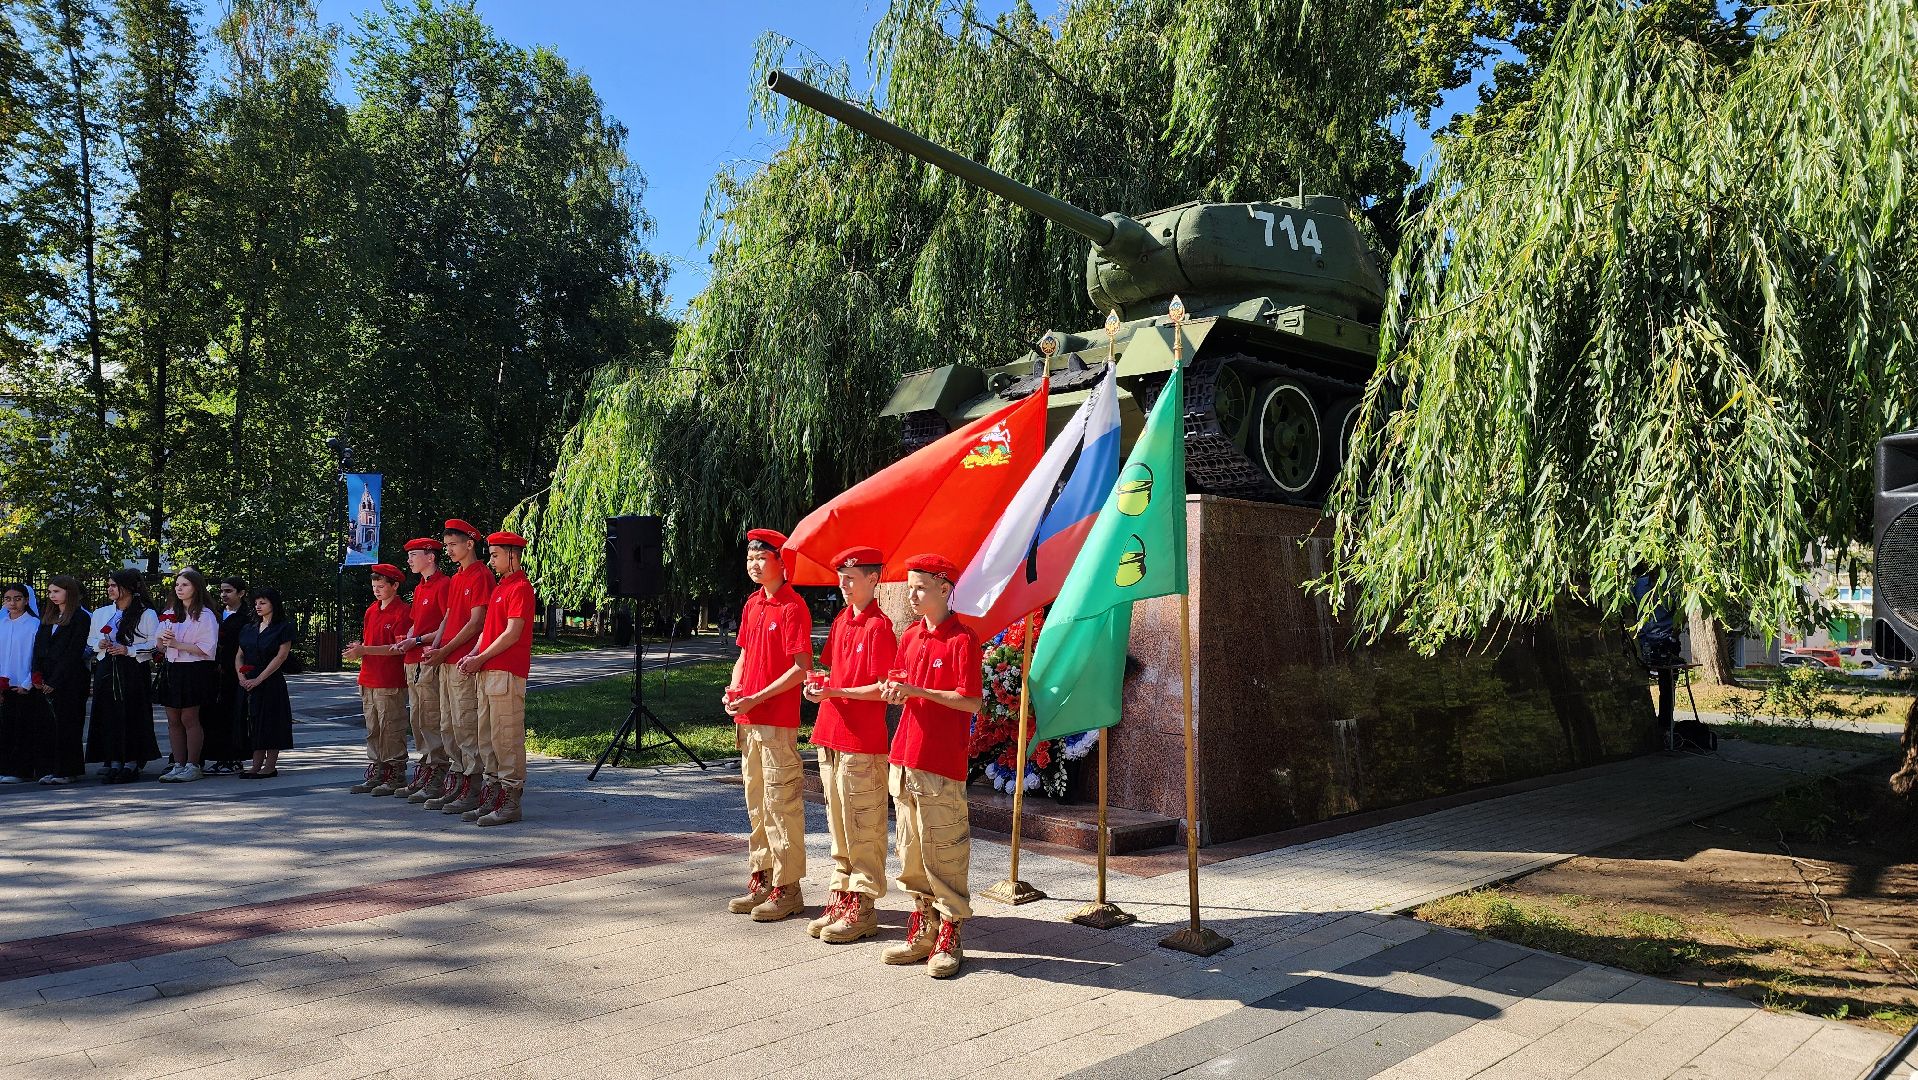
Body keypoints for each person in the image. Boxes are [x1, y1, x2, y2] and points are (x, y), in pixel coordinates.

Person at [881, 554, 984, 978]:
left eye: (920, 587)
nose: (912, 594)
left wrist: (918, 690)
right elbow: (902, 684)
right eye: (910, 586)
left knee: (945, 850)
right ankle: (924, 924)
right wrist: (894, 691)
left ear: (945, 589)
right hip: (905, 756)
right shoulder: (910, 636)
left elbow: (971, 701)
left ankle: (950, 933)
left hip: (940, 760)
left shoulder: (963, 639)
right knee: (909, 849)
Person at [800, 546, 897, 943]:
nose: (844, 585)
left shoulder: (879, 627)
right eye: (841, 578)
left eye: (852, 578)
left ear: (874, 580)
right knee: (838, 825)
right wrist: (818, 687)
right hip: (831, 735)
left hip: (861, 741)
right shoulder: (843, 619)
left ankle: (863, 905)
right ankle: (842, 894)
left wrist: (835, 691)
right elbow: (833, 671)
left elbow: (883, 688)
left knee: (864, 826)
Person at [722, 528, 814, 921]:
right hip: (749, 720)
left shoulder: (793, 606)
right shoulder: (752, 604)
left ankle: (788, 888)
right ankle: (762, 878)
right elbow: (743, 655)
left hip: (776, 722)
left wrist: (756, 697)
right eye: (750, 559)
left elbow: (801, 668)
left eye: (762, 558)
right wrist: (734, 689)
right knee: (757, 804)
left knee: (782, 805)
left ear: (781, 562)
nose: (754, 565)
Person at [454, 531, 536, 826]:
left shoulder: (521, 588)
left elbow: (512, 633)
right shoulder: (501, 587)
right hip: (488, 672)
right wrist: (473, 655)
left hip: (506, 672)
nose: (491, 561)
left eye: (496, 555)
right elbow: (488, 632)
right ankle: (493, 795)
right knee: (487, 737)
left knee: (506, 737)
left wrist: (480, 658)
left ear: (513, 555)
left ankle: (511, 800)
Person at [423, 520, 491, 814]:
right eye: (446, 545)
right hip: (447, 660)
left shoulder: (480, 575)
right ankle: (458, 781)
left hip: (463, 662)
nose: (448, 550)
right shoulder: (457, 577)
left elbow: (476, 623)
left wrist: (446, 650)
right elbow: (448, 617)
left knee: (465, 725)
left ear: (469, 544)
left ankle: (473, 787)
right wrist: (436, 648)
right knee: (448, 725)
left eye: (453, 545)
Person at [86, 569, 161, 783]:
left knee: (132, 713)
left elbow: (154, 643)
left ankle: (131, 761)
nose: (109, 589)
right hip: (107, 667)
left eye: (114, 585)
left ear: (128, 588)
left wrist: (128, 649)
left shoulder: (146, 613)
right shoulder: (101, 613)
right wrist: (99, 644)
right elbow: (91, 639)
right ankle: (113, 759)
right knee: (108, 714)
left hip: (132, 669)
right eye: (108, 585)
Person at [345, 564, 412, 796]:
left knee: (391, 726)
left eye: (381, 586)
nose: (376, 590)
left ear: (395, 586)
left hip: (389, 679)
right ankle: (378, 770)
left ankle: (396, 772)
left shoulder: (402, 612)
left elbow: (398, 648)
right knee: (373, 728)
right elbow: (370, 642)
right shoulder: (371, 610)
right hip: (368, 677)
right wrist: (360, 648)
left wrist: (364, 650)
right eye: (374, 586)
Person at [396, 538, 451, 802]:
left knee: (431, 717)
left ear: (430, 557)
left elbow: (446, 626)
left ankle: (439, 772)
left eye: (414, 555)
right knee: (417, 719)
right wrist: (408, 638)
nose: (409, 560)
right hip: (413, 660)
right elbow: (416, 623)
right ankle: (427, 767)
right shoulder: (420, 587)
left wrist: (416, 640)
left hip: (429, 660)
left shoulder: (444, 584)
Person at [156, 568, 221, 784]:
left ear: (196, 587)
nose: (179, 588)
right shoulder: (171, 612)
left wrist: (178, 644)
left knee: (189, 718)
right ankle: (178, 764)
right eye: (177, 585)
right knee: (173, 719)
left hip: (194, 669)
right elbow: (160, 646)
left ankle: (193, 765)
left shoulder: (205, 615)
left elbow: (207, 649)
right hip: (173, 668)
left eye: (185, 585)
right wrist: (163, 640)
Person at [29, 576, 91, 784]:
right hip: (46, 678)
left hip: (70, 680)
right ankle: (51, 768)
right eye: (50, 592)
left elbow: (73, 652)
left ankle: (67, 769)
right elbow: (38, 648)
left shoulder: (80, 617)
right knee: (49, 726)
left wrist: (54, 681)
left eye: (56, 591)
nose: (52, 596)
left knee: (68, 725)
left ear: (68, 592)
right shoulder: (49, 617)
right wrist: (37, 674)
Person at [237, 588, 295, 778]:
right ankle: (255, 765)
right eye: (256, 603)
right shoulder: (249, 628)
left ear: (273, 604)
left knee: (271, 722)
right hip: (249, 680)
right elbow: (239, 655)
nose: (258, 606)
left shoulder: (283, 627)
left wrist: (259, 679)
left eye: (263, 602)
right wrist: (242, 678)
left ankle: (270, 766)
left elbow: (281, 656)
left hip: (271, 682)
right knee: (254, 722)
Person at [201, 577, 251, 774]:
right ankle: (217, 756)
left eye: (228, 591)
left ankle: (233, 758)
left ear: (241, 593)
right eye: (222, 591)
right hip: (213, 671)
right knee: (214, 715)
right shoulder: (214, 614)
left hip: (235, 672)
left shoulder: (247, 616)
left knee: (234, 714)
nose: (223, 595)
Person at [0, 583, 39, 784]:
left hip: (23, 685)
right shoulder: (2, 624)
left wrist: (28, 682)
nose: (12, 603)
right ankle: (5, 767)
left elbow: (37, 657)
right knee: (5, 728)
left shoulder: (34, 625)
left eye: (17, 598)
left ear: (26, 600)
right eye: (8, 599)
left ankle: (21, 770)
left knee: (22, 728)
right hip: (3, 685)